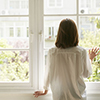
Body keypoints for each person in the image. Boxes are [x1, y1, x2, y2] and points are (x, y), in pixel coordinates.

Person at [33, 18, 100, 100]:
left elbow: (48, 72)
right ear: (75, 33)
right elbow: (86, 74)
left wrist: (45, 90)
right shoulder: (81, 51)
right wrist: (90, 59)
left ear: (59, 33)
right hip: (78, 95)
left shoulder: (52, 52)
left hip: (59, 95)